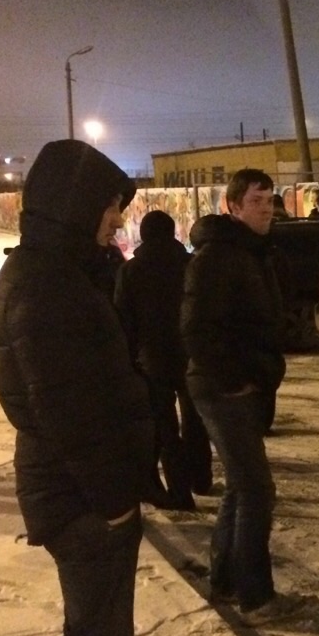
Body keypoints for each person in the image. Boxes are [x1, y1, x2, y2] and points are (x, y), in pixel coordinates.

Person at [0, 139, 178, 636]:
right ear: (73, 205)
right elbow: (68, 413)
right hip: (82, 499)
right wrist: (113, 502)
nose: (116, 220)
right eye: (107, 207)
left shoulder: (58, 272)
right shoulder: (46, 286)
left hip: (85, 491)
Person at [181, 168, 296, 625]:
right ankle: (256, 597)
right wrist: (235, 380)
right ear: (232, 206)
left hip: (242, 385)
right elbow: (196, 331)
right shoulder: (216, 257)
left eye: (270, 201)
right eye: (256, 202)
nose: (267, 210)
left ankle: (226, 580)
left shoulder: (253, 252)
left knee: (239, 486)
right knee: (256, 489)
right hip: (221, 388)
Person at [114, 210, 213, 511]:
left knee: (166, 428)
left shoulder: (131, 271)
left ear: (143, 235)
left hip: (153, 360)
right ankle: (201, 478)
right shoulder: (191, 265)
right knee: (196, 421)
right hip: (191, 354)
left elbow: (124, 320)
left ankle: (180, 492)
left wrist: (131, 359)